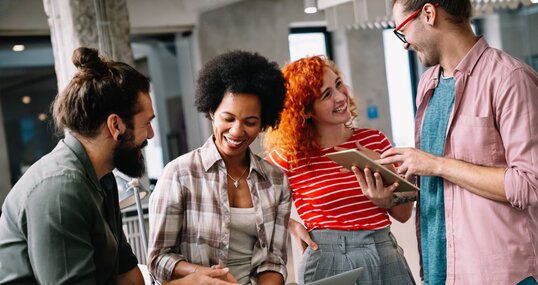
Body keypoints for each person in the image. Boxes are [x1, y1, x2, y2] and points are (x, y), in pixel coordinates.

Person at [378, 0, 538, 284]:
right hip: (439, 269)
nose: (405, 44)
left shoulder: (509, 79)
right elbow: (443, 189)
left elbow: (529, 183)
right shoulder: (428, 84)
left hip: (498, 274)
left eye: (403, 31)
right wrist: (392, 197)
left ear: (428, 13)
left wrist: (437, 164)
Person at [0, 47, 154, 284]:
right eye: (147, 123)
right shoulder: (60, 190)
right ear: (116, 125)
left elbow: (128, 276)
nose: (151, 135)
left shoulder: (104, 179)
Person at [264, 55, 416, 285]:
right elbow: (250, 200)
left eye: (338, 85)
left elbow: (403, 215)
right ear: (305, 111)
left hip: (386, 251)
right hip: (329, 258)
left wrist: (387, 199)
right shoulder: (289, 156)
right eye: (326, 95)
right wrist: (290, 225)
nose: (340, 96)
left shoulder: (375, 141)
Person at [147, 50, 291, 285]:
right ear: (212, 112)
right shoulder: (179, 175)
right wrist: (206, 277)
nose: (237, 131)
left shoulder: (276, 181)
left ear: (263, 122)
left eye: (250, 122)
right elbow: (159, 259)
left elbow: (273, 259)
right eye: (228, 118)